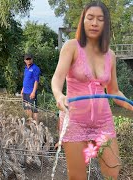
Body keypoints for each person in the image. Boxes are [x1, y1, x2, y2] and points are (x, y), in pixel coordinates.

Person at [51, 1, 133, 179]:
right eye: (90, 18)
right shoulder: (71, 47)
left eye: (100, 19)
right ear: (83, 21)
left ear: (105, 24)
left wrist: (131, 106)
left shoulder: (110, 55)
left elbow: (115, 92)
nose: (94, 23)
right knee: (77, 176)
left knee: (113, 172)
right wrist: (59, 95)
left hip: (103, 122)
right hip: (75, 121)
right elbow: (57, 78)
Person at [21, 54, 41, 122]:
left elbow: (36, 81)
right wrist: (22, 89)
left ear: (32, 59)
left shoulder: (35, 68)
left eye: (30, 59)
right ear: (24, 60)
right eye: (27, 59)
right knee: (27, 108)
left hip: (31, 92)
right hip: (25, 92)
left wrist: (33, 92)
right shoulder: (26, 69)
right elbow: (25, 79)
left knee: (34, 109)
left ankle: (36, 127)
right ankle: (30, 123)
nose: (28, 60)